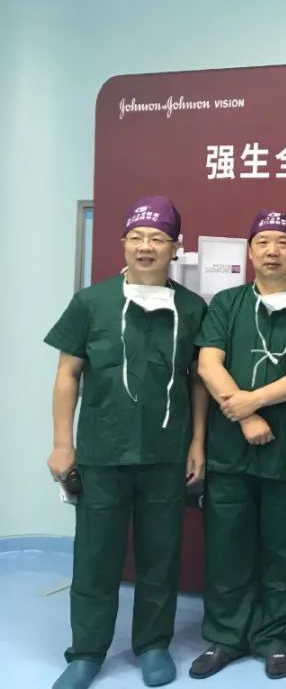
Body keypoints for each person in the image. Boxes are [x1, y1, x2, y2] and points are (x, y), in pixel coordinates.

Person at [44, 195, 208, 689]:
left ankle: (153, 645)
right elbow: (67, 374)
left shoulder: (192, 308)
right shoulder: (91, 303)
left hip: (165, 453)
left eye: (157, 238)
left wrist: (198, 442)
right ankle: (86, 652)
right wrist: (62, 443)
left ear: (175, 247)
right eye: (137, 237)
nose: (146, 246)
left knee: (160, 555)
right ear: (122, 243)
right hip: (102, 452)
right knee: (96, 557)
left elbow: (198, 381)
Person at [189, 210, 286, 680]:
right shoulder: (226, 304)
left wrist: (252, 400)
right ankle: (226, 637)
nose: (272, 251)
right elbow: (208, 364)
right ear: (250, 251)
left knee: (284, 550)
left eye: (283, 243)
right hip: (230, 452)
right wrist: (248, 416)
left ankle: (273, 637)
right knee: (227, 548)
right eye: (263, 242)